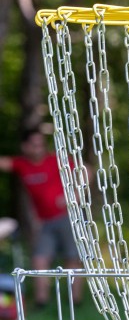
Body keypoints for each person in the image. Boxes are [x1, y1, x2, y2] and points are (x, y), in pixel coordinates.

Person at [0, 129, 83, 307]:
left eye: (41, 144)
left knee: (72, 258)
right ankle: (41, 303)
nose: (39, 148)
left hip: (68, 217)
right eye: (35, 144)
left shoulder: (56, 160)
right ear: (25, 147)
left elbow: (85, 171)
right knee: (39, 259)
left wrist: (74, 195)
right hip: (45, 221)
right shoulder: (22, 164)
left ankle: (75, 302)